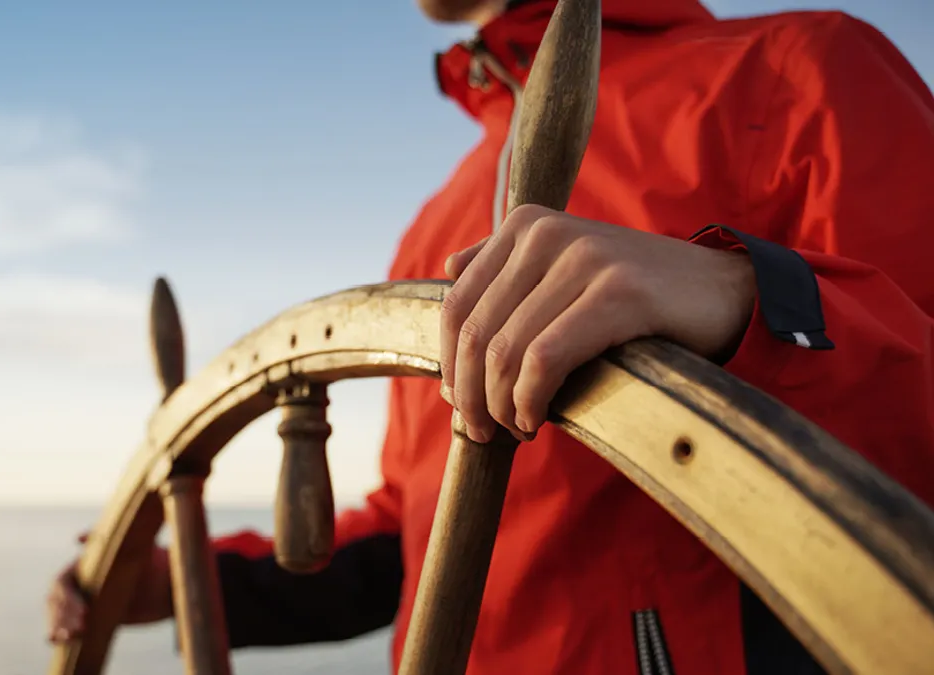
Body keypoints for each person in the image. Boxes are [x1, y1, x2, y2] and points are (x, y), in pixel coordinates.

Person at [47, 0, 934, 673]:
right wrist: (187, 582)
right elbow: (414, 536)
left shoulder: (801, 69)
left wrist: (746, 294)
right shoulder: (437, 220)